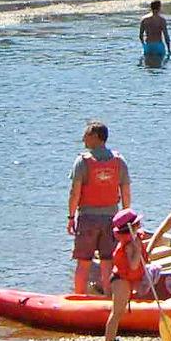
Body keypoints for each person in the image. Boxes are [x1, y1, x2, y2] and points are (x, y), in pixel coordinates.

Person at [67, 120, 131, 295]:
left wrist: (71, 217)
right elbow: (125, 192)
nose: (83, 139)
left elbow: (75, 193)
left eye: (86, 135)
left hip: (88, 218)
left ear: (95, 137)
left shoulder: (82, 162)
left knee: (83, 262)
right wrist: (126, 218)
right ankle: (108, 300)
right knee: (107, 261)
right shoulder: (119, 161)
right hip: (112, 218)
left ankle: (78, 299)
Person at [101, 208, 170, 341]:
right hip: (120, 280)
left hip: (127, 279)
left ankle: (111, 340)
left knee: (119, 312)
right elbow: (133, 265)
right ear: (131, 228)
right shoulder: (130, 245)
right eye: (137, 223)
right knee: (117, 312)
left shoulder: (135, 239)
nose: (140, 224)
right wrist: (138, 250)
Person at [139, 0, 171, 64]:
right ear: (159, 7)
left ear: (151, 7)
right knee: (159, 65)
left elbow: (140, 35)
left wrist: (144, 45)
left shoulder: (144, 19)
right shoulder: (161, 20)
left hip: (148, 45)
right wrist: (169, 49)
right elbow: (166, 36)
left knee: (148, 65)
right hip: (158, 45)